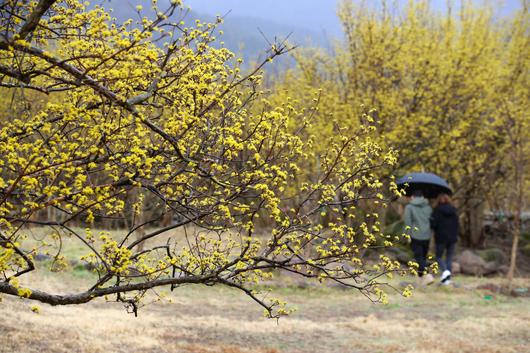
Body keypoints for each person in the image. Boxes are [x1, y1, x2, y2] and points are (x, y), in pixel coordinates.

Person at [403, 190, 433, 284]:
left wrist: (406, 234)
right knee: (423, 257)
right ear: (423, 197)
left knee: (418, 257)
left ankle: (427, 275)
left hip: (415, 235)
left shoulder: (409, 207)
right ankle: (421, 280)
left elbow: (408, 222)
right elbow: (431, 221)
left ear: (412, 197)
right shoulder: (428, 207)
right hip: (427, 236)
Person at [431, 193, 458, 285]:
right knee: (449, 258)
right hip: (452, 237)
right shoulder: (453, 210)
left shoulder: (436, 210)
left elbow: (434, 225)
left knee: (438, 256)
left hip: (441, 237)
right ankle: (448, 278)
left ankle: (446, 271)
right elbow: (457, 224)